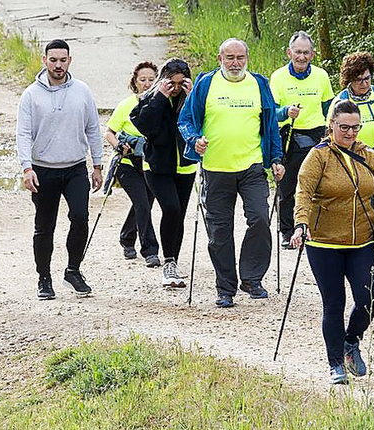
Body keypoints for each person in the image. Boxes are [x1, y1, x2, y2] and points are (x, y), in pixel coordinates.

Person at [289, 100, 374, 384]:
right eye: (344, 127)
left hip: (361, 242)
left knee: (370, 297)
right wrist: (300, 224)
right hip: (324, 242)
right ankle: (335, 364)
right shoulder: (318, 157)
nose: (350, 133)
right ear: (331, 125)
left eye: (355, 127)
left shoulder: (367, 154)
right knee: (334, 303)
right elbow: (303, 193)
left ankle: (350, 343)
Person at [178, 38, 285, 307]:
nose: (235, 63)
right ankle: (225, 288)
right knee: (219, 231)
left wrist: (276, 157)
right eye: (230, 58)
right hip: (215, 169)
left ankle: (251, 278)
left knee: (260, 218)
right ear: (220, 59)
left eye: (240, 57)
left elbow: (270, 124)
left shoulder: (259, 84)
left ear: (247, 58)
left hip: (251, 166)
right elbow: (186, 120)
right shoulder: (206, 83)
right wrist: (194, 140)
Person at [18, 39, 103, 300]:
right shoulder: (31, 94)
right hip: (43, 170)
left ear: (69, 60)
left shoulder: (82, 90)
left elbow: (93, 128)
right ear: (44, 61)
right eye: (53, 60)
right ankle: (44, 278)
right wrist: (26, 168)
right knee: (45, 226)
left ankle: (73, 270)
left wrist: (97, 164)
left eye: (62, 60)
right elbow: (23, 133)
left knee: (80, 217)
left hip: (75, 167)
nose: (58, 65)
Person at [130, 58, 196, 288]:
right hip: (157, 166)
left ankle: (174, 261)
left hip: (185, 165)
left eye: (181, 83)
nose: (176, 88)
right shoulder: (150, 98)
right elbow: (144, 125)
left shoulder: (191, 98)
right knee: (171, 208)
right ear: (164, 80)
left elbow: (200, 122)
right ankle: (168, 263)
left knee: (179, 215)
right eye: (172, 83)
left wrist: (190, 96)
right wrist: (160, 97)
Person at [269, 31, 335, 249]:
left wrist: (332, 132)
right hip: (289, 135)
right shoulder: (278, 77)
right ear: (289, 52)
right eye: (298, 52)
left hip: (317, 135)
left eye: (306, 52)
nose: (302, 57)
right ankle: (287, 232)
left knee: (319, 186)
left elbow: (330, 108)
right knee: (288, 187)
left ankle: (315, 230)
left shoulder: (321, 76)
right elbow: (271, 113)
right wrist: (286, 112)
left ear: (312, 54)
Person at [105, 61, 161, 267]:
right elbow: (109, 132)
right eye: (142, 80)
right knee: (143, 204)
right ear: (135, 82)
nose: (147, 84)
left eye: (151, 79)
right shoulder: (126, 105)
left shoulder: (161, 104)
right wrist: (120, 145)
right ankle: (150, 251)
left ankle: (127, 238)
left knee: (143, 205)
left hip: (152, 162)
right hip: (127, 163)